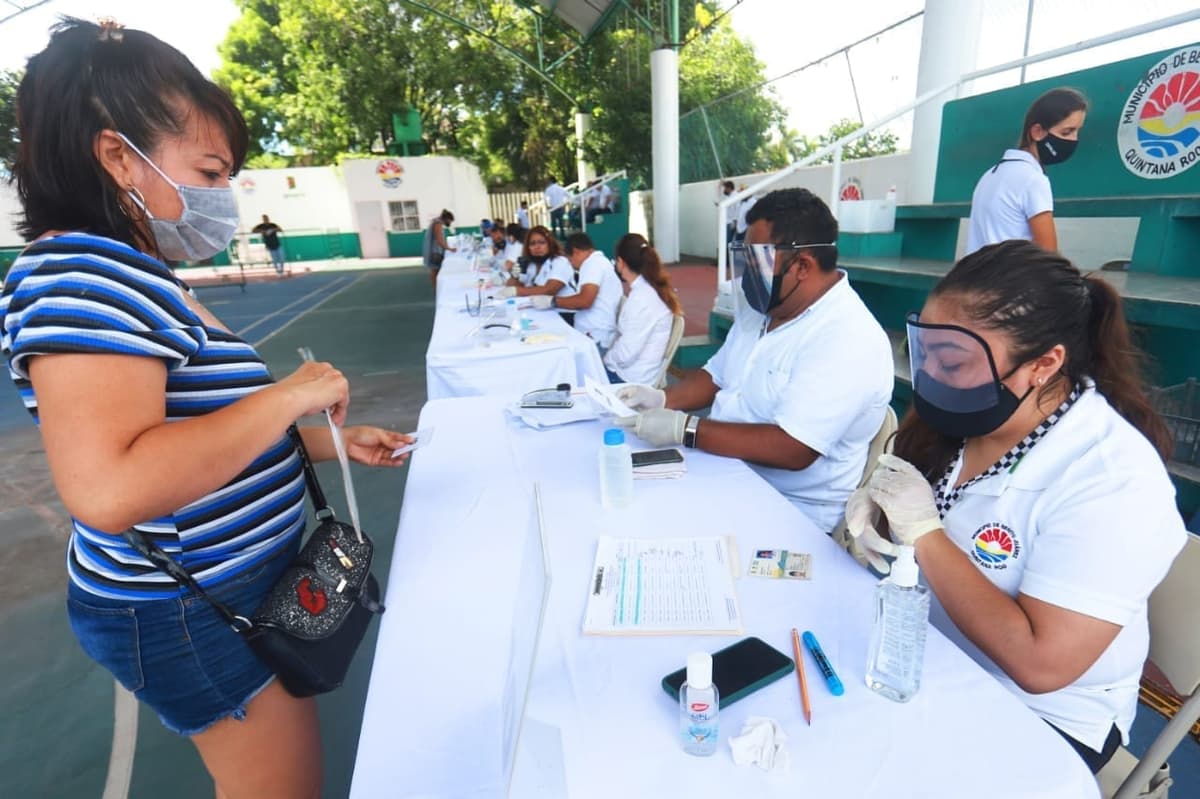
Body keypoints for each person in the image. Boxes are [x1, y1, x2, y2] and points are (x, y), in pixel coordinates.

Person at [2, 18, 415, 798]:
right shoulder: (82, 273)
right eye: (210, 171)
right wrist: (291, 394)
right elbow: (111, 486)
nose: (222, 198)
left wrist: (324, 440)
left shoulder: (136, 269)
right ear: (118, 155)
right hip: (191, 605)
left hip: (230, 588)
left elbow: (196, 436)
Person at [844, 240, 1186, 774]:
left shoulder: (1114, 479)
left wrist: (925, 535)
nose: (930, 373)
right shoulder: (967, 415)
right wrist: (880, 510)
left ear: (1044, 364)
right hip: (931, 652)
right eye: (924, 350)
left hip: (1042, 715)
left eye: (950, 360)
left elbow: (1040, 664)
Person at [617, 189, 893, 531]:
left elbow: (793, 448)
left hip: (789, 511)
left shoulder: (848, 337)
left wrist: (685, 429)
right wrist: (660, 399)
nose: (745, 274)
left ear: (802, 265)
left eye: (757, 261)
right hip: (721, 471)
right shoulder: (765, 307)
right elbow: (716, 375)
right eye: (745, 258)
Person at [966, 88, 1088, 255]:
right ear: (1037, 132)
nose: (1074, 140)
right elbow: (1049, 256)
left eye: (1077, 132)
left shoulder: (989, 175)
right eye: (1067, 132)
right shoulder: (1033, 180)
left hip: (977, 271)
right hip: (1012, 272)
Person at [602, 233, 680, 385]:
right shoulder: (649, 290)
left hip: (630, 380)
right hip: (637, 373)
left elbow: (626, 354)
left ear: (621, 262)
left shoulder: (642, 299)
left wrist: (604, 361)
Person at [555, 233, 622, 350]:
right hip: (596, 332)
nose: (572, 265)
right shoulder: (599, 262)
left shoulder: (592, 264)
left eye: (570, 260)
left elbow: (585, 301)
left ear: (576, 252)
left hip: (595, 335)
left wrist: (552, 301)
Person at [500, 226, 573, 299]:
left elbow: (549, 290)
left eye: (542, 242)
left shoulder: (560, 261)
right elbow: (512, 286)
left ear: (550, 244)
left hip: (561, 305)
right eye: (532, 243)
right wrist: (515, 275)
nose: (537, 247)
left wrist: (516, 291)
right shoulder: (531, 264)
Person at [422, 208, 456, 288]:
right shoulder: (438, 224)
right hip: (435, 252)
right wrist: (449, 249)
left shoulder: (435, 222)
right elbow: (440, 240)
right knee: (436, 272)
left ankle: (436, 288)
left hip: (433, 251)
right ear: (447, 219)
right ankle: (437, 289)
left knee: (434, 272)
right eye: (450, 221)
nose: (450, 223)